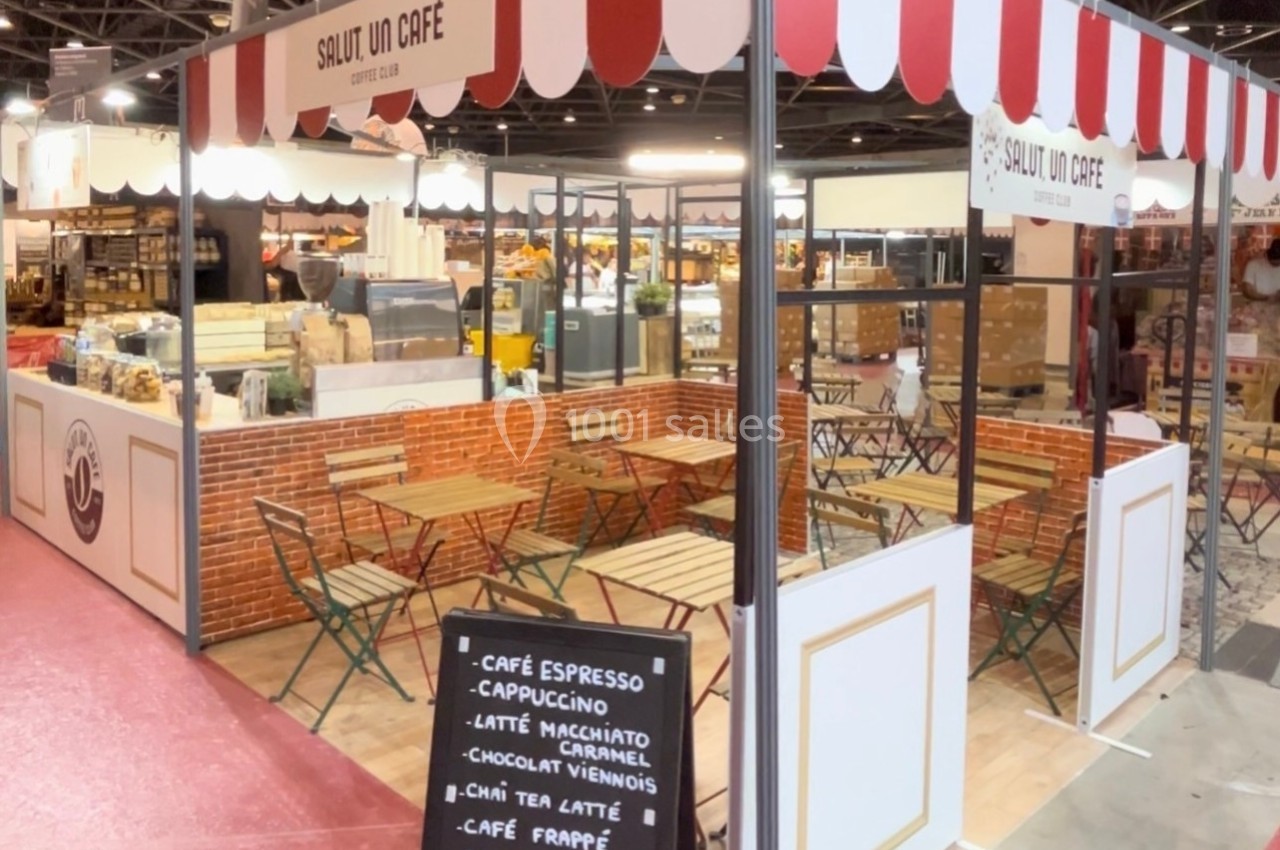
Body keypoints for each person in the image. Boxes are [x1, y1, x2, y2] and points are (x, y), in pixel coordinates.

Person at [1241, 238, 1280, 302]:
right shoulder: (1253, 265)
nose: (1275, 263)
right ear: (1267, 255)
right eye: (1273, 260)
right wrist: (1266, 298)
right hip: (1258, 307)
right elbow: (1247, 290)